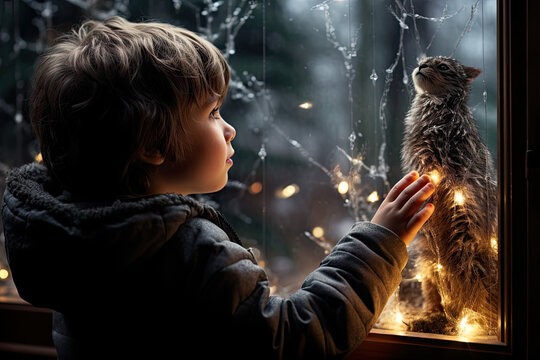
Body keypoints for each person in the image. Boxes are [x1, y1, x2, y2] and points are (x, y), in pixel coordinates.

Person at [1, 17, 434, 359]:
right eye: (211, 112)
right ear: (153, 145)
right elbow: (297, 334)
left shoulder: (67, 238)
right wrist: (378, 243)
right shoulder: (182, 249)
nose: (228, 129)